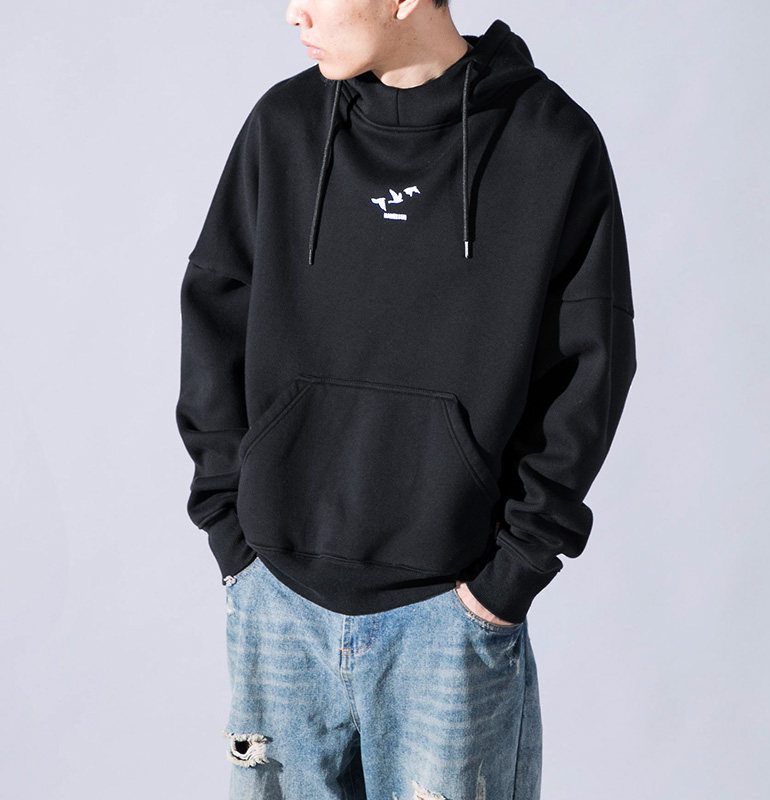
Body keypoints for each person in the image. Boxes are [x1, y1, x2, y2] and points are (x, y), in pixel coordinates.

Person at [175, 1, 637, 798]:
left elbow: (589, 371)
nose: (294, 13)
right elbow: (214, 321)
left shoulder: (550, 144)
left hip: (448, 626)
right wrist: (232, 535)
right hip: (277, 612)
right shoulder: (283, 129)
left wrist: (508, 582)